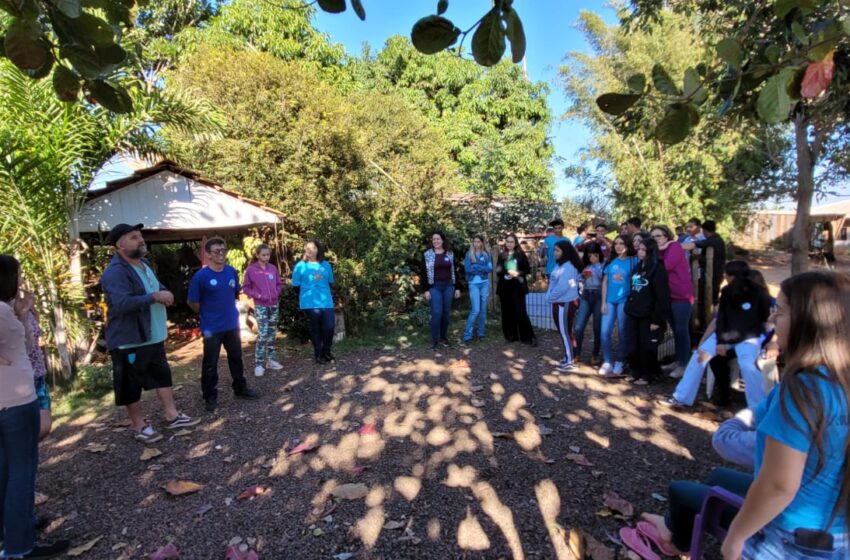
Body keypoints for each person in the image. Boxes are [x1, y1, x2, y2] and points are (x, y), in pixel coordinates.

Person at [635, 271, 850, 559]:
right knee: (718, 475)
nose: (774, 321)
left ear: (807, 322)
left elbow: (779, 485)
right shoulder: (837, 378)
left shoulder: (803, 388)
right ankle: (674, 529)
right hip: (834, 530)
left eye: (781, 312)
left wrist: (737, 535)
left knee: (681, 490)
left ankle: (673, 537)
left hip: (787, 539)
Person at [101, 224, 200, 440]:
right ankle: (139, 426)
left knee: (161, 376)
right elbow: (121, 304)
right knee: (130, 384)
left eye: (140, 236)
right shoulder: (115, 273)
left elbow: (154, 286)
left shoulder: (143, 264)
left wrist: (164, 291)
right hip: (129, 340)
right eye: (134, 237)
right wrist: (155, 297)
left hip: (153, 335)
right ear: (120, 245)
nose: (141, 240)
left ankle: (172, 415)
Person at [0, 255, 69, 558]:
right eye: (17, 274)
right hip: (15, 403)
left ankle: (13, 528)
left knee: (5, 470)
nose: (20, 280)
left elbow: (27, 347)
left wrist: (22, 313)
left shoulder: (6, 310)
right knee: (21, 472)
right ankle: (19, 546)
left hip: (12, 400)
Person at [188, 237, 259, 412]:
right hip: (212, 327)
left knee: (236, 358)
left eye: (223, 250)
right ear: (208, 254)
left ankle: (240, 388)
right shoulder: (201, 276)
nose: (221, 253)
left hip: (231, 325)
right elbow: (193, 301)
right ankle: (210, 396)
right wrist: (207, 313)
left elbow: (234, 293)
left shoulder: (231, 272)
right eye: (216, 251)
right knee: (210, 363)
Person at [705, 261, 773, 409]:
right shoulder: (728, 292)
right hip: (730, 338)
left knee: (747, 365)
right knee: (716, 360)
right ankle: (724, 393)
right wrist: (721, 341)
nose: (725, 278)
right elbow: (721, 318)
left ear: (732, 276)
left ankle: (756, 406)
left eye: (726, 275)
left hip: (751, 339)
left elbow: (765, 317)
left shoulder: (759, 293)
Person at [625, 236, 671, 385]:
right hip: (634, 313)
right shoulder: (638, 268)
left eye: (644, 250)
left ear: (651, 251)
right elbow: (633, 289)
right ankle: (635, 371)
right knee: (632, 345)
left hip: (649, 315)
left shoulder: (658, 269)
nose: (640, 252)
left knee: (647, 346)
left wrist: (657, 319)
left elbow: (662, 296)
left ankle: (647, 375)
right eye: (639, 249)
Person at [651, 225, 694, 379]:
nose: (656, 239)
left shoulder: (674, 247)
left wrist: (661, 250)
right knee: (675, 330)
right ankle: (679, 360)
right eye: (653, 237)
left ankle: (684, 364)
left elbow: (665, 266)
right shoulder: (657, 250)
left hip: (681, 295)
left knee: (681, 329)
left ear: (667, 236)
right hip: (668, 296)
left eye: (659, 236)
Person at [14, 288, 52, 442]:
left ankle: (26, 459)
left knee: (44, 426)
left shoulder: (26, 307)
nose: (21, 281)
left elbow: (33, 342)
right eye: (17, 275)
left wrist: (27, 309)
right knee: (24, 429)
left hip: (37, 372)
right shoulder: (5, 311)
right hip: (19, 377)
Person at [291, 240, 338, 362]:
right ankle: (318, 354)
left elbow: (330, 282)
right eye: (308, 248)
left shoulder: (326, 265)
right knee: (316, 328)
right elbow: (296, 286)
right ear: (305, 250)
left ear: (318, 250)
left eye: (313, 248)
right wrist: (306, 295)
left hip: (326, 301)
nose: (310, 250)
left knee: (329, 327)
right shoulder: (300, 266)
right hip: (310, 301)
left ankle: (326, 351)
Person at [599, 235, 638, 377]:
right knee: (604, 332)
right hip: (609, 301)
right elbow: (605, 283)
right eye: (616, 244)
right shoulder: (611, 261)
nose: (618, 246)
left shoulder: (634, 261)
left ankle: (620, 361)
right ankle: (608, 360)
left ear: (628, 245)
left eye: (622, 243)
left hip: (624, 301)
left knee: (623, 332)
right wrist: (603, 302)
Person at [242, 244, 283, 377]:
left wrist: (277, 293)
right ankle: (259, 363)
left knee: (272, 332)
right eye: (263, 255)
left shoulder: (272, 268)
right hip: (260, 305)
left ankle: (271, 360)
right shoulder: (251, 270)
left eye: (268, 255)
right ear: (258, 255)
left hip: (274, 304)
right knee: (263, 333)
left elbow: (278, 284)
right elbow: (246, 288)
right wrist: (259, 296)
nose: (266, 257)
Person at [547, 240, 583, 371]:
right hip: (561, 302)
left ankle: (570, 361)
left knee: (565, 332)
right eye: (554, 250)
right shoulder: (562, 265)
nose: (554, 253)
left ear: (565, 252)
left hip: (564, 303)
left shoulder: (567, 267)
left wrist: (550, 298)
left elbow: (562, 287)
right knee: (566, 332)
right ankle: (570, 356)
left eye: (557, 250)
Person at [422, 232, 461, 349]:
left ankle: (443, 338)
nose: (436, 241)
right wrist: (426, 290)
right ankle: (435, 340)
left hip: (448, 286)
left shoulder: (450, 253)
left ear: (442, 240)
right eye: (433, 239)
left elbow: (454, 271)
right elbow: (423, 273)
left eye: (438, 239)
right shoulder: (427, 254)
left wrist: (457, 287)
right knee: (437, 312)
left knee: (446, 313)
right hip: (435, 286)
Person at [496, 233, 536, 346]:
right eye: (507, 241)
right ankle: (511, 335)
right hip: (505, 287)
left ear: (515, 243)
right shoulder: (501, 255)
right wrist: (505, 274)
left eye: (511, 242)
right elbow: (498, 270)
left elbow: (527, 269)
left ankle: (528, 337)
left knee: (520, 311)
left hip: (518, 287)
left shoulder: (520, 255)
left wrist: (517, 273)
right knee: (507, 312)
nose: (509, 244)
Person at [572, 242, 604, 366]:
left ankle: (595, 354)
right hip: (586, 295)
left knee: (597, 327)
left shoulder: (603, 264)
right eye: (589, 255)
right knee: (578, 327)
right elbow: (579, 279)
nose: (592, 257)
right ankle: (577, 353)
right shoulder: (584, 264)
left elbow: (604, 280)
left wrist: (596, 268)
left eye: (595, 255)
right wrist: (583, 277)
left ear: (599, 254)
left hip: (599, 295)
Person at [683, 219, 726, 304]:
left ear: (704, 230)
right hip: (710, 272)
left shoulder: (714, 240)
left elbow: (700, 244)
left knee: (709, 295)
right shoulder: (715, 239)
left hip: (714, 273)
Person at [462, 234, 493, 344]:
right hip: (473, 284)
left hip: (484, 283)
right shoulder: (468, 254)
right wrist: (480, 268)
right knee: (476, 310)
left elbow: (489, 269)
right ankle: (467, 335)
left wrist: (476, 266)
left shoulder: (487, 254)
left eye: (478, 242)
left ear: (482, 243)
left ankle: (481, 333)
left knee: (483, 311)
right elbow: (467, 269)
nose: (476, 244)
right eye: (474, 241)